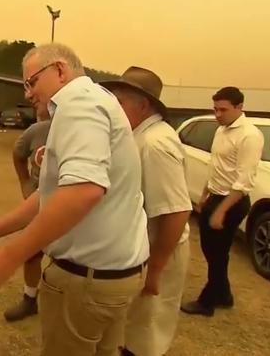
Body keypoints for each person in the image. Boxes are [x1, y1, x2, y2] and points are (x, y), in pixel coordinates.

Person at [0, 43, 149, 356]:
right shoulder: (92, 103)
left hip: (87, 280)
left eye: (31, 83)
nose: (27, 94)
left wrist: (12, 255)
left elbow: (83, 191)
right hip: (114, 275)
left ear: (60, 70)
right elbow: (54, 193)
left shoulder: (78, 104)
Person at [102, 67, 192, 356]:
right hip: (145, 249)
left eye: (119, 102)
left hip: (158, 252)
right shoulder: (141, 135)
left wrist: (155, 269)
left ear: (143, 104)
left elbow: (176, 212)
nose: (112, 108)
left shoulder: (156, 143)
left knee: (145, 334)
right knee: (132, 327)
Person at [181, 87, 264, 317]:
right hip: (215, 197)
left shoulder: (250, 135)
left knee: (217, 253)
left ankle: (207, 302)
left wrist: (221, 212)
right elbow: (216, 166)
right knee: (212, 251)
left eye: (223, 110)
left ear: (239, 107)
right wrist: (206, 193)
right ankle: (224, 294)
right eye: (215, 109)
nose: (218, 114)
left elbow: (243, 181)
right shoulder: (221, 130)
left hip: (232, 202)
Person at [3, 106, 51, 322]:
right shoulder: (37, 130)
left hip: (71, 206)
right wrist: (25, 182)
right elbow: (18, 153)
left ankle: (64, 302)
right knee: (32, 253)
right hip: (37, 206)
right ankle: (30, 299)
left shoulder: (86, 131)